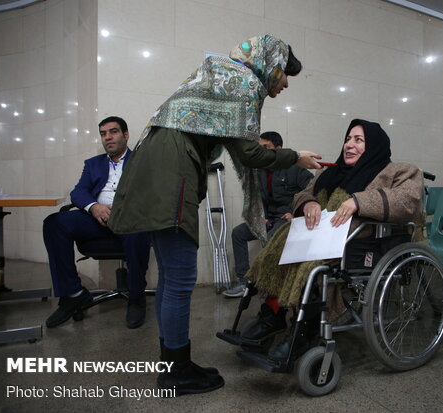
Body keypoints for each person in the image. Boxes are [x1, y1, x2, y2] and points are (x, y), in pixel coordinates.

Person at [108, 35, 321, 396]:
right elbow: (252, 154)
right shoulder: (243, 82)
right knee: (179, 278)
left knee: (170, 277)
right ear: (271, 65)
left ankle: (172, 362)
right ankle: (176, 372)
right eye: (285, 74)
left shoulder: (222, 73)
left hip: (154, 164)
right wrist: (295, 156)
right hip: (171, 172)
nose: (284, 84)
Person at [240, 118, 425, 361]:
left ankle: (304, 329)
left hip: (357, 243)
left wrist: (359, 201)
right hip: (318, 236)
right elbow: (303, 193)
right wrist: (310, 203)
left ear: (375, 146)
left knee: (310, 266)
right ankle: (272, 315)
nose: (349, 144)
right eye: (348, 139)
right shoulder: (331, 172)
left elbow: (407, 201)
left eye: (359, 140)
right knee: (278, 251)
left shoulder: (397, 171)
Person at [43, 116, 151, 329]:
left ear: (126, 135)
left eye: (113, 131)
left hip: (130, 221)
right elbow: (78, 192)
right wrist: (94, 207)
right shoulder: (92, 164)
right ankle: (73, 294)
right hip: (97, 220)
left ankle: (137, 297)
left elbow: (151, 193)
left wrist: (126, 211)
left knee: (138, 230)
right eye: (103, 133)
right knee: (54, 222)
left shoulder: (142, 160)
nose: (108, 137)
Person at [224, 131, 313, 298]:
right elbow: (257, 197)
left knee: (272, 238)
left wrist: (295, 214)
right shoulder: (260, 171)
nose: (263, 153)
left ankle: (270, 284)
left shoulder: (296, 169)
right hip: (269, 219)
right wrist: (260, 216)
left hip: (288, 220)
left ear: (279, 149)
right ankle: (244, 281)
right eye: (261, 149)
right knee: (238, 233)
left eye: (267, 148)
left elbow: (312, 191)